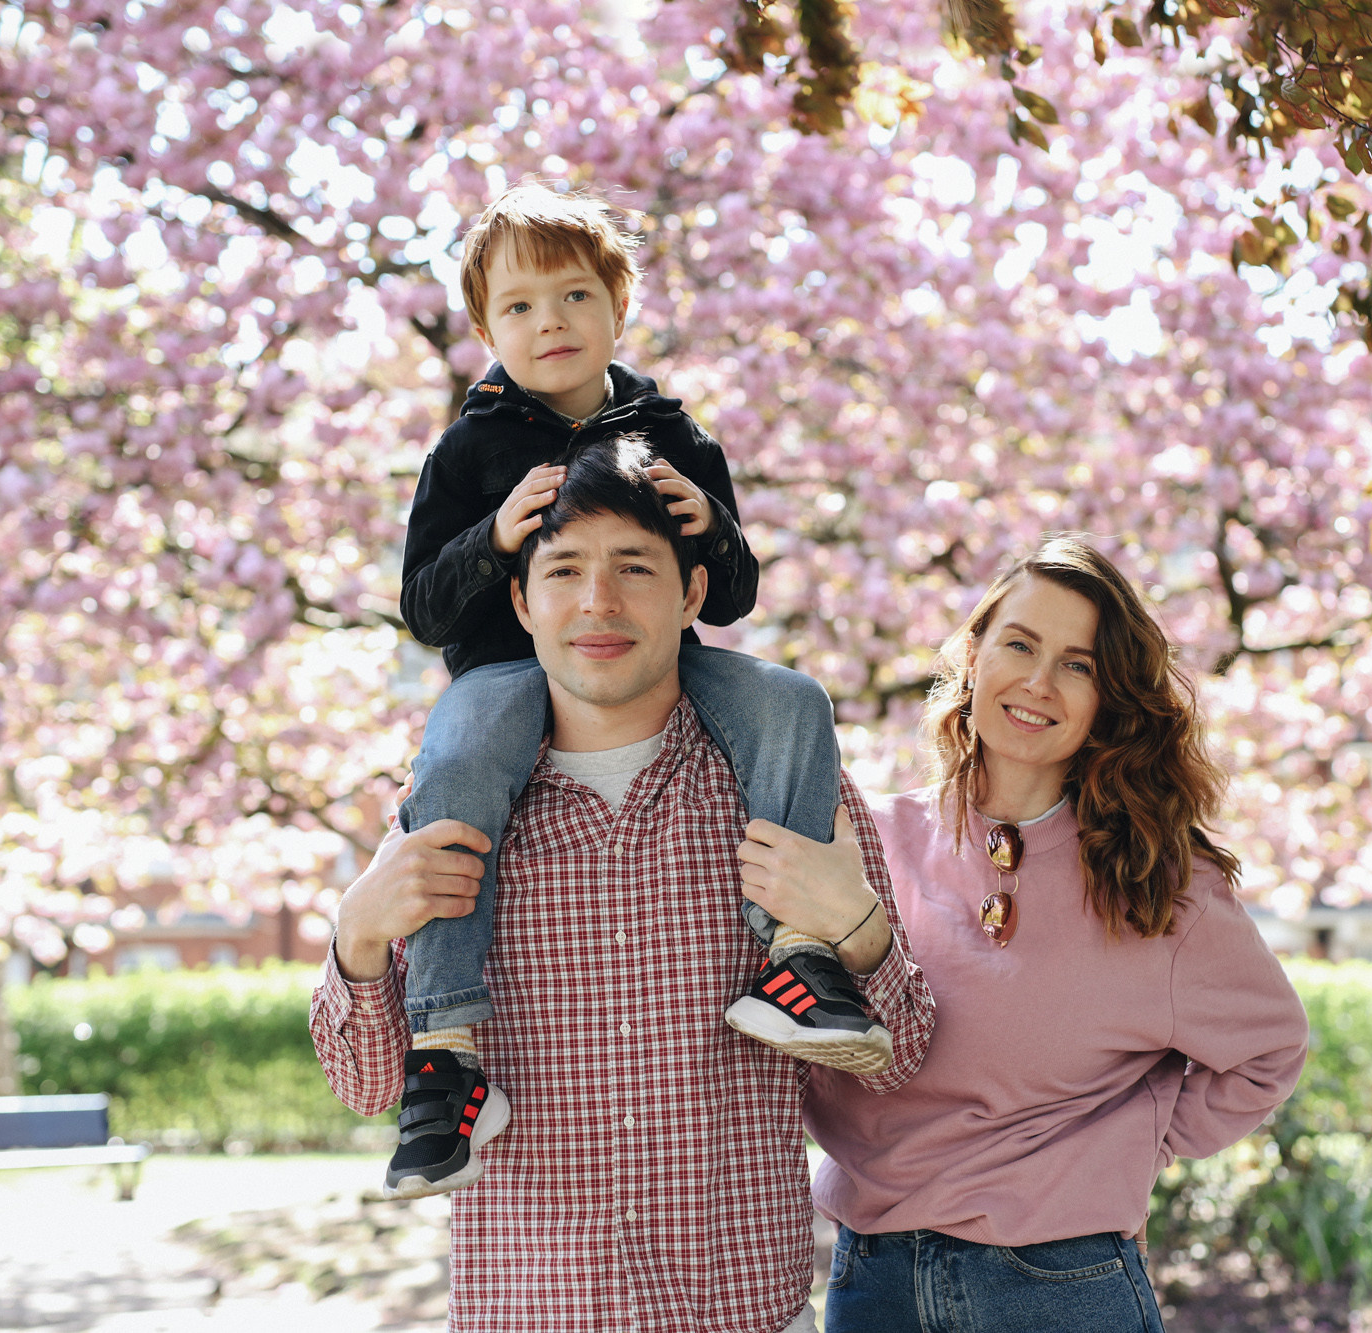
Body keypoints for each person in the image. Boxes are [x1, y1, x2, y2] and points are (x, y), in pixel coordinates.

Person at [311, 440, 935, 1333]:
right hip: (529, 1312)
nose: (597, 601)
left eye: (633, 567)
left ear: (689, 594)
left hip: (743, 1312)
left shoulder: (789, 789)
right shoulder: (452, 804)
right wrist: (359, 933)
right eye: (564, 569)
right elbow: (370, 1086)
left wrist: (860, 931)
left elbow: (899, 1060)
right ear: (522, 602)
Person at [389, 182, 889, 1199]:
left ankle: (798, 958)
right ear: (485, 330)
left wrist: (705, 517)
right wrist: (492, 538)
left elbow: (731, 595)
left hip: (662, 650)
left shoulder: (672, 432)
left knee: (791, 698)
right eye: (519, 308)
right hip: (507, 665)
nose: (550, 324)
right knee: (457, 749)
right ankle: (446, 1042)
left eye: (573, 296)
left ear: (618, 306)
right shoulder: (469, 447)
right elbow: (424, 607)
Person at [764, 534, 1309, 1332]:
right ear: (975, 656)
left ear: (1108, 698)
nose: (1038, 681)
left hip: (1061, 1284)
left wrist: (1125, 1146)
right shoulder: (867, 841)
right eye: (1019, 643)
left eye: (1078, 664)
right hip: (873, 1279)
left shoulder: (1164, 884)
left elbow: (1270, 1050)